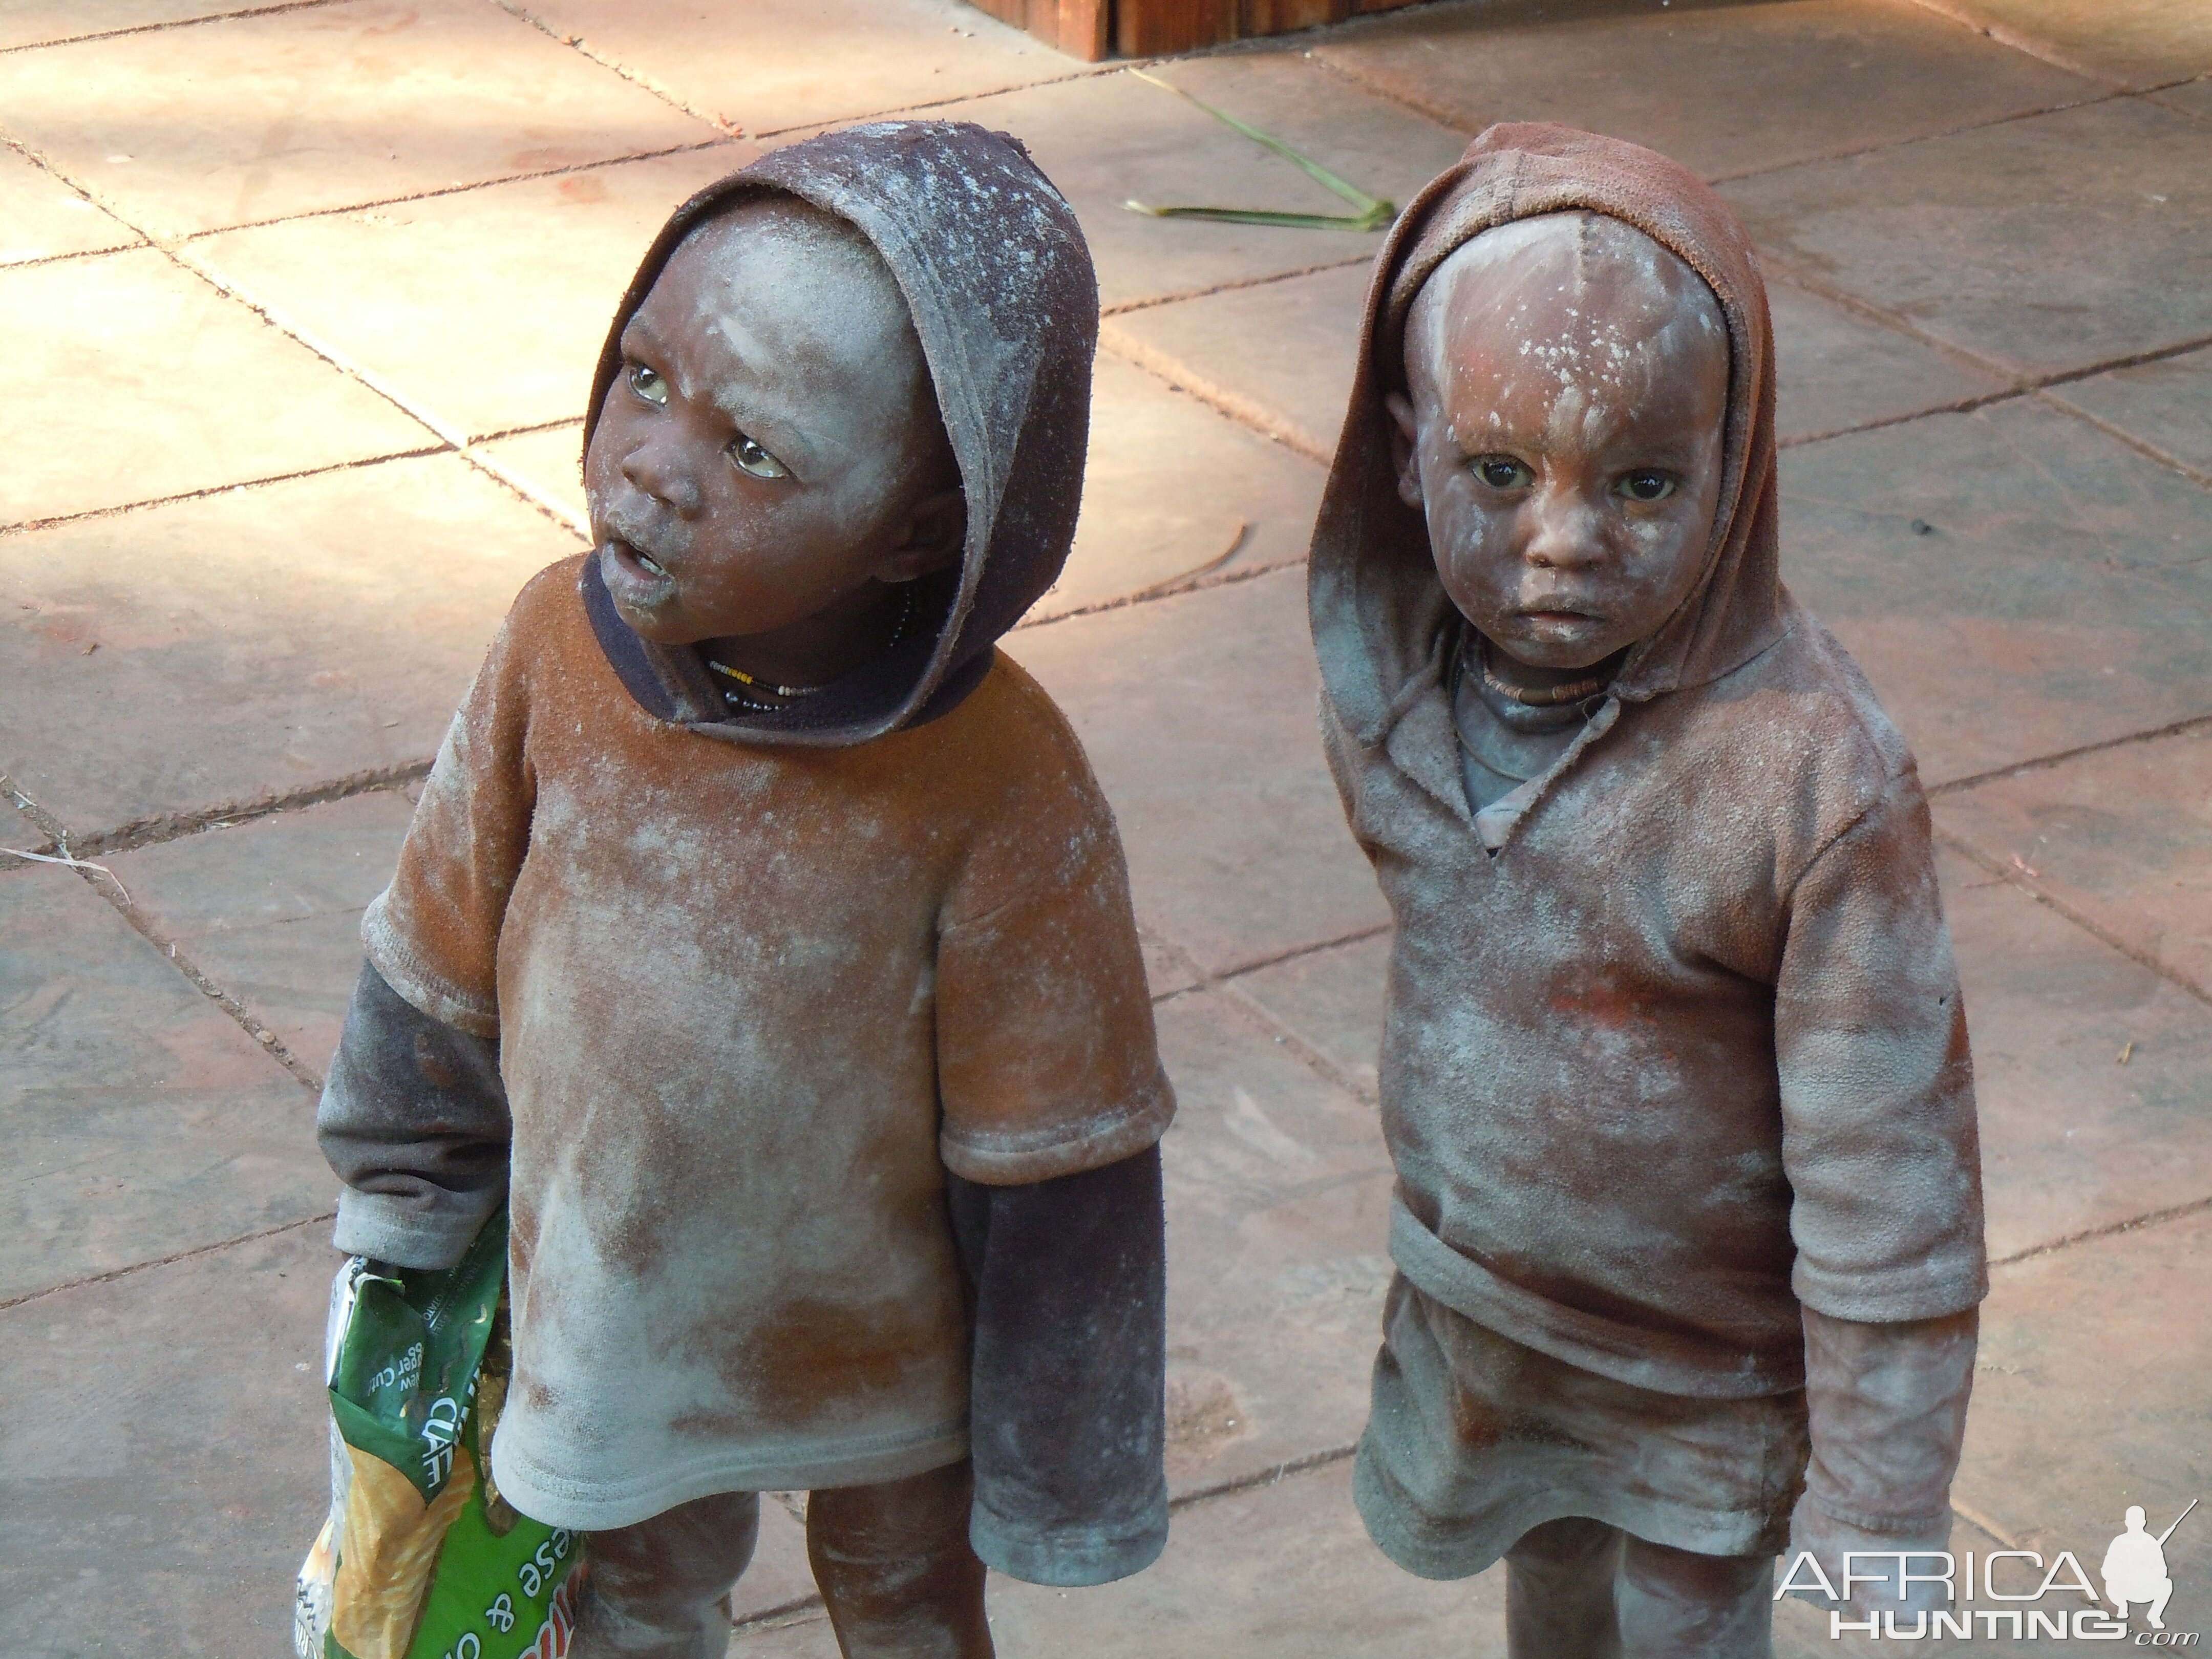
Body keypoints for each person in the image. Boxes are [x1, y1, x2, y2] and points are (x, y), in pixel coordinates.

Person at [315, 121, 1175, 1659]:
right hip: (619, 1320)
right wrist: (405, 1193)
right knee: (636, 1601)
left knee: (910, 1606)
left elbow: (1064, 1163)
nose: (652, 466)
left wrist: (1063, 1467)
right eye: (646, 377)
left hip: (884, 1355)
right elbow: (434, 961)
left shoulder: (1001, 780)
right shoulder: (550, 657)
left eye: (755, 451)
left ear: (926, 525)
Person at [1307, 123, 1988, 1657]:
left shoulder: (1808, 774)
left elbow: (1896, 1178)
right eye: (1498, 471)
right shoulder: (1393, 696)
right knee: (1551, 1603)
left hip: (1705, 1364)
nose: (1563, 542)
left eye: (1642, 482)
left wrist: (1882, 1501)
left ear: (1732, 466)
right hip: (1492, 1321)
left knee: (1685, 1625)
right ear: (1409, 450)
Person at [2103, 1506, 2176, 1628]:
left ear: (2143, 1523)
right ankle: (2122, 1607)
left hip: (2146, 1590)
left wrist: (2146, 1569)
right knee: (2110, 1583)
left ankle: (2154, 1615)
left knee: (2167, 1584)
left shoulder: (2151, 1542)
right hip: (2124, 1590)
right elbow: (2106, 1570)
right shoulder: (2119, 1541)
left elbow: (2163, 1571)